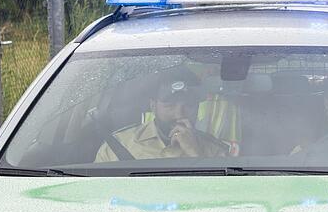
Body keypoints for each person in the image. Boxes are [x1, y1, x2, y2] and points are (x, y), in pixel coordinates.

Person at [95, 68, 232, 162]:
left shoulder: (214, 151)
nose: (179, 114)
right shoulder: (118, 145)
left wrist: (195, 154)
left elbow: (222, 196)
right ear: (153, 106)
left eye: (189, 105)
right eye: (170, 105)